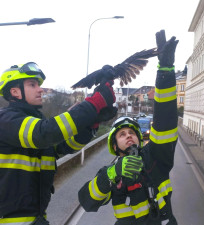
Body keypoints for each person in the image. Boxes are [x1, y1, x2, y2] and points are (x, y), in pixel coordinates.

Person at [0, 62, 117, 225]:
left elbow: (66, 146)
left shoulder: (36, 122)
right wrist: (95, 102)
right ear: (15, 92)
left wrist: (90, 123)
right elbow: (45, 133)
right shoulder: (5, 121)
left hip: (34, 219)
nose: (40, 89)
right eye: (32, 84)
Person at [78, 30, 179, 225]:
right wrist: (111, 174)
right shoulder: (110, 172)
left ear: (139, 138)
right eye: (122, 134)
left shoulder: (156, 157)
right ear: (114, 145)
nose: (128, 136)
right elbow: (87, 201)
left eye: (132, 132)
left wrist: (165, 72)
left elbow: (165, 122)